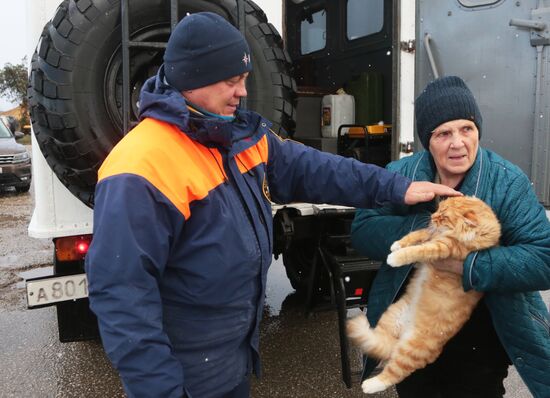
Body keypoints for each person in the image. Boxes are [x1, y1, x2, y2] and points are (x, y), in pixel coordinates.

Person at [85, 12, 460, 398]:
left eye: (244, 79)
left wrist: (397, 188)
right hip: (187, 377)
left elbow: (318, 171)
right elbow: (122, 295)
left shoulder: (237, 134)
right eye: (231, 81)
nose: (242, 92)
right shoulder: (139, 167)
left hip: (232, 361)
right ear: (192, 79)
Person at [351, 75, 550, 398]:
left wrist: (467, 264)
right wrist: (426, 231)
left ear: (477, 132)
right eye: (444, 133)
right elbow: (362, 228)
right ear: (427, 141)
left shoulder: (507, 182)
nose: (458, 143)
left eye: (466, 129)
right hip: (415, 324)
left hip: (482, 334)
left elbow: (543, 258)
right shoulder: (402, 174)